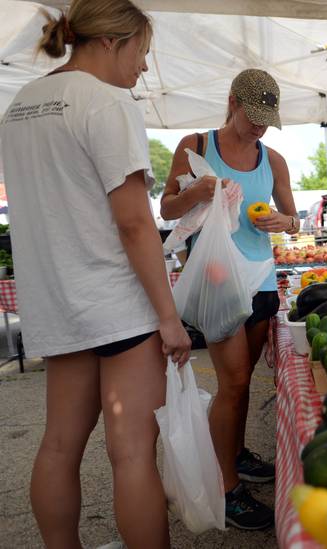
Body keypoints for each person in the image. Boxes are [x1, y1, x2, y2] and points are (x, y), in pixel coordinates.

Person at [0, 1, 192, 547]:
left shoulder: (20, 104)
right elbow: (134, 223)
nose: (144, 68)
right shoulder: (107, 102)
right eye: (143, 53)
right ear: (112, 42)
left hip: (56, 300)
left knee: (58, 445)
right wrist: (168, 317)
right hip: (117, 301)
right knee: (131, 451)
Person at [161, 68, 299, 531]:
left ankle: (235, 455)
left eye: (267, 119)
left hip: (261, 280)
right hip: (217, 279)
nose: (259, 127)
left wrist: (282, 222)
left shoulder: (273, 159)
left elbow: (294, 217)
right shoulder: (196, 147)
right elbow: (166, 208)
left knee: (242, 382)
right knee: (234, 382)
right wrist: (200, 190)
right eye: (253, 116)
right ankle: (226, 490)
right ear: (233, 103)